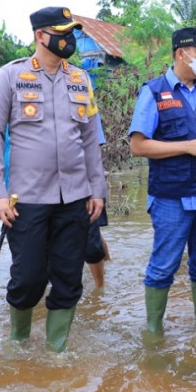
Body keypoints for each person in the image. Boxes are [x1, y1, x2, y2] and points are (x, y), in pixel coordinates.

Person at [0, 6, 107, 352]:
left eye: (71, 34)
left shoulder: (81, 79)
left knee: (68, 278)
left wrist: (97, 190)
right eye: (62, 33)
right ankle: (18, 343)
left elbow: (89, 140)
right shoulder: (10, 76)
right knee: (28, 278)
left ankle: (57, 351)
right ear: (40, 36)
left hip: (75, 198)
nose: (68, 40)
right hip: (28, 199)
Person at [129, 27, 196, 332]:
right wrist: (188, 146)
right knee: (163, 267)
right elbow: (138, 146)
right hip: (171, 198)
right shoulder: (153, 92)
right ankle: (153, 332)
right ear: (181, 54)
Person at [85, 112, 110, 288]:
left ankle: (100, 288)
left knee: (91, 241)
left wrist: (94, 188)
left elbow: (94, 148)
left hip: (84, 184)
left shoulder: (83, 99)